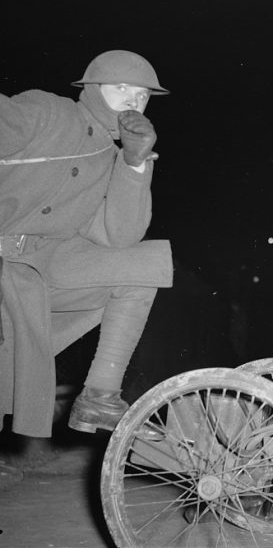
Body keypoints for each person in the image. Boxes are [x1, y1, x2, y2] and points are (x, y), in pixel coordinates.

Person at [0, 49, 173, 437]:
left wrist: (134, 165)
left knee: (142, 267)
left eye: (143, 95)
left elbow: (119, 237)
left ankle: (99, 399)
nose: (134, 100)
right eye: (122, 88)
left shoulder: (114, 158)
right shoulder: (48, 112)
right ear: (94, 90)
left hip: (35, 268)